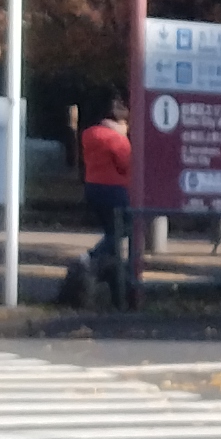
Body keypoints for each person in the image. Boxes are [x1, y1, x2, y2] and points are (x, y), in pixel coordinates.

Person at [79, 94, 134, 305]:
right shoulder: (117, 139)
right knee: (123, 228)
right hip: (115, 189)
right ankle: (92, 258)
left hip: (92, 187)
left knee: (111, 229)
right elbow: (126, 164)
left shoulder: (89, 135)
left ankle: (108, 269)